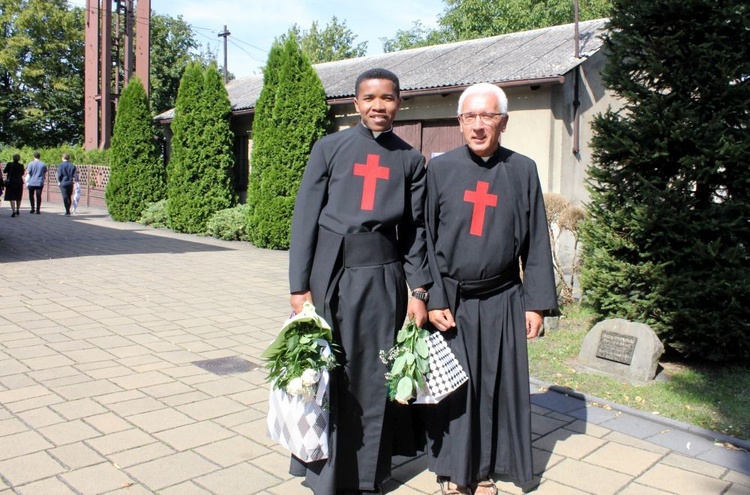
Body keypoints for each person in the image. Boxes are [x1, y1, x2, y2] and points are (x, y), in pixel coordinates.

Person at [288, 68, 431, 495]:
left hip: (383, 280)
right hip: (331, 276)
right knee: (328, 372)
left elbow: (416, 231)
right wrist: (299, 287)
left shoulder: (410, 159)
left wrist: (418, 290)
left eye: (387, 98)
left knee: (374, 374)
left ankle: (368, 475)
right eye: (369, 98)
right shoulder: (329, 148)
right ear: (356, 103)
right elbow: (305, 218)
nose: (378, 106)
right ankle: (324, 472)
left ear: (399, 103)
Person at [423, 83, 558, 495]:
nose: (478, 126)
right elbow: (424, 238)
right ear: (459, 122)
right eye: (469, 117)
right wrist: (433, 299)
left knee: (496, 387)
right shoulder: (441, 169)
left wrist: (535, 304)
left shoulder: (522, 169)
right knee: (457, 390)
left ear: (503, 122)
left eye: (488, 117)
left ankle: (485, 470)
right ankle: (455, 473)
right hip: (453, 301)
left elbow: (536, 239)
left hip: (502, 297)